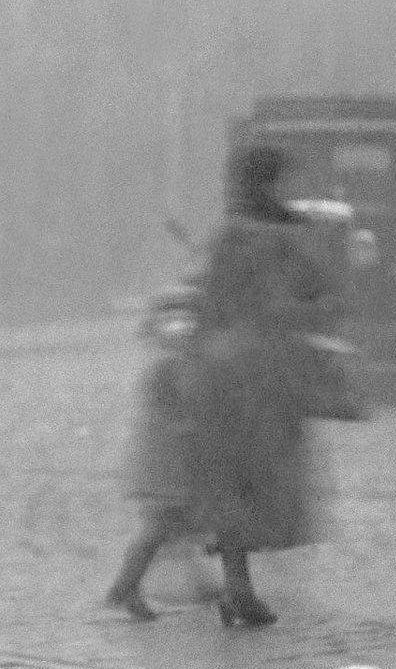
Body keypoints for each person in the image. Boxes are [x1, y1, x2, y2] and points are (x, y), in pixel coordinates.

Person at [186, 145, 335, 628]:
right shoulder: (286, 234)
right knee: (261, 474)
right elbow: (316, 287)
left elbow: (211, 300)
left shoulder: (232, 233)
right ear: (271, 183)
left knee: (232, 475)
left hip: (226, 365)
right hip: (268, 368)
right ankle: (239, 589)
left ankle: (238, 584)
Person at [103, 285, 207, 621]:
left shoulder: (177, 363)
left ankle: (133, 587)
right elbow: (170, 411)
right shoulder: (166, 366)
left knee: (169, 526)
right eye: (174, 322)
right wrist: (190, 425)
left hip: (169, 461)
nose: (183, 328)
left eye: (188, 321)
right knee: (160, 526)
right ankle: (124, 585)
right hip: (165, 463)